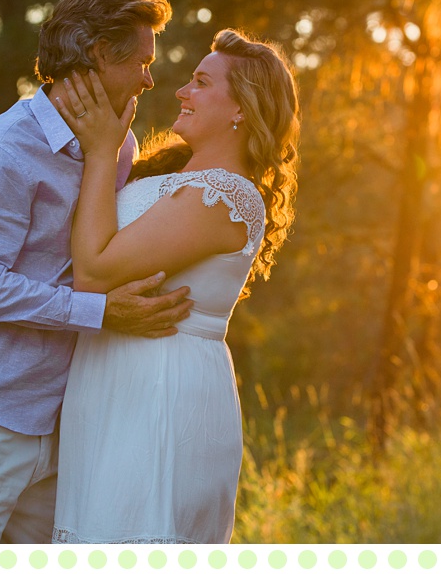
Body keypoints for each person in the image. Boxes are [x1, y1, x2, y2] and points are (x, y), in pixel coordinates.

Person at [0, 0, 191, 544]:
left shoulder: (117, 146)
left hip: (55, 432)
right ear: (101, 54)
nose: (151, 78)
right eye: (143, 62)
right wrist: (102, 312)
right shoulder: (2, 150)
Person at [51, 28, 300, 543]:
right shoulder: (163, 177)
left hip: (162, 390)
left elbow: (93, 274)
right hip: (109, 381)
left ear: (241, 109)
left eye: (201, 82)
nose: (182, 92)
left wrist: (102, 152)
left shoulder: (225, 195)